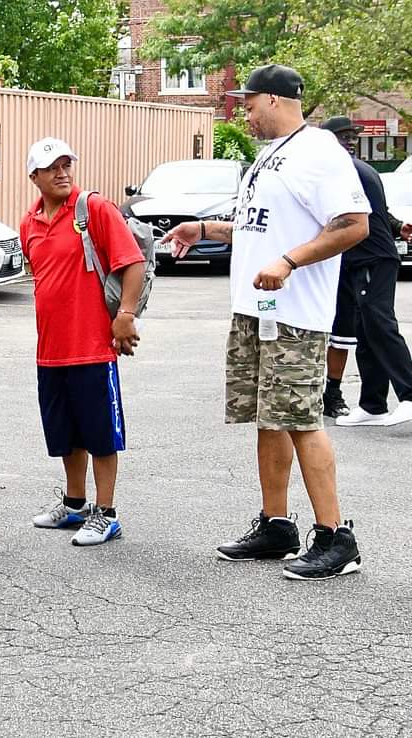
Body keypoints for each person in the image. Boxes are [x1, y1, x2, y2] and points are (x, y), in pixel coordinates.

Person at [163, 64, 370, 580]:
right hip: (255, 310)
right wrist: (206, 227)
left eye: (248, 103)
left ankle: (335, 537)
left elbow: (353, 225)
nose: (243, 112)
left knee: (300, 418)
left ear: (275, 100)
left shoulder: (319, 152)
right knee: (269, 417)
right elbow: (261, 228)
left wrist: (290, 262)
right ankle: (277, 525)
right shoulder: (268, 157)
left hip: (295, 312)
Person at [22, 138, 145, 546]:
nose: (61, 173)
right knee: (65, 433)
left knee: (100, 434)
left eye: (66, 165)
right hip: (50, 350)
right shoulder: (30, 223)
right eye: (51, 167)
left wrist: (124, 316)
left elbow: (132, 263)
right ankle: (75, 505)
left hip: (91, 346)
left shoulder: (93, 208)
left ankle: (105, 513)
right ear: (34, 176)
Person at [319, 116, 412, 427]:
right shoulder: (356, 170)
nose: (351, 141)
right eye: (344, 136)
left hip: (372, 258)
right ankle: (372, 405)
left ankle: (409, 394)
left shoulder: (347, 170)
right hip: (364, 260)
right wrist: (401, 227)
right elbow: (378, 212)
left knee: (379, 323)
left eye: (352, 136)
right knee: (365, 330)